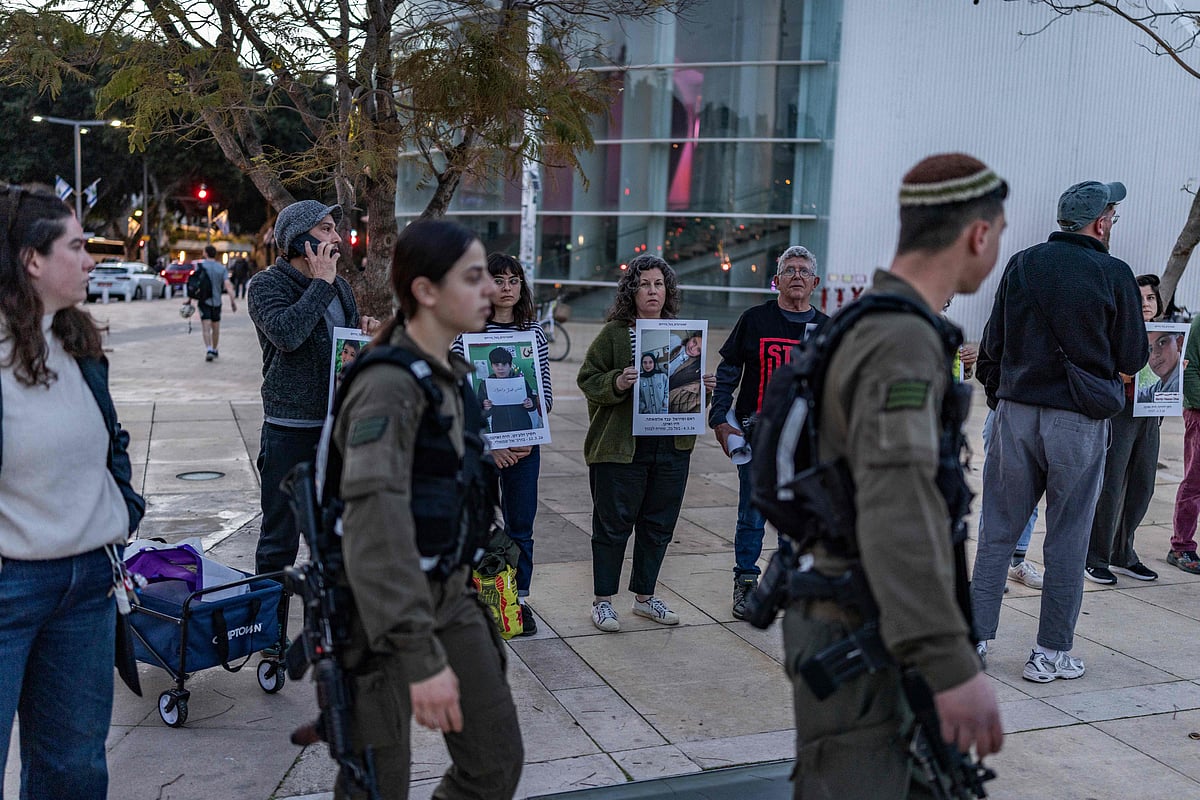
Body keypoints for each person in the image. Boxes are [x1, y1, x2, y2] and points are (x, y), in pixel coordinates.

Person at [778, 154, 1006, 797]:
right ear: (978, 235)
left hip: (868, 615)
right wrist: (951, 664)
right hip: (862, 627)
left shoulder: (875, 321)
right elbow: (898, 504)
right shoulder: (901, 340)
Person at [332, 218, 522, 799]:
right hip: (382, 609)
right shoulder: (388, 386)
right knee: (376, 786)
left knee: (493, 761)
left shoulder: (451, 376)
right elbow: (374, 528)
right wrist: (418, 654)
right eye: (472, 277)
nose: (490, 289)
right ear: (425, 291)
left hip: (448, 592)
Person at [0, 184, 145, 799]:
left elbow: (109, 443)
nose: (92, 260)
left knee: (74, 771)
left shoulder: (77, 341)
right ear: (32, 259)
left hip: (88, 587)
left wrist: (122, 508)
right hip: (10, 588)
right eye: (78, 246)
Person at [972, 180, 1147, 683]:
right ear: (1099, 223)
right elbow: (1133, 357)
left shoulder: (1024, 263)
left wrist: (1002, 396)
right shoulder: (1114, 273)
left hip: (1017, 411)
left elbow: (993, 343)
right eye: (1112, 215)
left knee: (998, 531)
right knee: (1068, 537)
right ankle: (1049, 653)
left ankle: (977, 639)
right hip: (1078, 419)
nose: (1113, 223)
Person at [577, 255, 715, 632]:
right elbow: (588, 379)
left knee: (658, 525)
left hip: (671, 447)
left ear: (667, 290)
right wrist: (618, 383)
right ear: (631, 291)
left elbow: (684, 383)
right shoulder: (616, 334)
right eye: (644, 284)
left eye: (658, 284)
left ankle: (644, 597)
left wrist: (702, 387)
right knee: (611, 526)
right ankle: (603, 601)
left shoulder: (684, 334)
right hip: (622, 448)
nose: (652, 290)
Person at [247, 199, 380, 576]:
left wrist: (362, 333)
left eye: (334, 228)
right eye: (325, 229)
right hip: (289, 431)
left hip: (336, 430)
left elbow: (345, 351)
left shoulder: (342, 288)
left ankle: (329, 628)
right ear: (300, 240)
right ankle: (268, 632)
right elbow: (288, 335)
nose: (337, 236)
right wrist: (320, 283)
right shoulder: (266, 285)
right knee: (279, 541)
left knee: (337, 535)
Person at [709, 244, 829, 619]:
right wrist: (719, 419)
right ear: (776, 280)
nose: (796, 276)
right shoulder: (755, 320)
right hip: (755, 434)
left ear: (815, 282)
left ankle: (793, 584)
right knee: (752, 514)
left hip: (804, 442)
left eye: (803, 271)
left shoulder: (827, 329)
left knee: (800, 515)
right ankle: (746, 583)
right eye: (789, 270)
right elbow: (728, 372)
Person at [452, 253, 553, 635]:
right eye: (499, 280)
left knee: (521, 525)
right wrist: (490, 445)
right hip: (481, 450)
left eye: (514, 280)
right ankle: (473, 599)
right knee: (475, 523)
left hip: (527, 448)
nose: (507, 287)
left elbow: (544, 391)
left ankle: (517, 600)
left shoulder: (535, 334)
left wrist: (531, 431)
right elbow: (460, 400)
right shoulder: (467, 334)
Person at [1084, 275, 1165, 585]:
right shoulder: (1117, 329)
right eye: (1140, 297)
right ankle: (1096, 557)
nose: (1146, 304)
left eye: (1151, 298)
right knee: (1111, 485)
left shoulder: (1167, 335)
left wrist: (1176, 376)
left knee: (1143, 486)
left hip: (1151, 417)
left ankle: (1123, 553)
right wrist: (1120, 377)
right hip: (1121, 414)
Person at [1171, 309, 1200, 574]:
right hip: (1199, 412)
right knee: (1195, 482)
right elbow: (1189, 370)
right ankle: (1181, 546)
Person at [186, 244, 237, 362]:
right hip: (217, 302)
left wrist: (189, 300)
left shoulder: (200, 266)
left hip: (204, 301)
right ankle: (214, 349)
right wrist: (232, 301)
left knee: (206, 327)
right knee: (216, 327)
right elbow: (228, 285)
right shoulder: (221, 268)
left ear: (206, 253)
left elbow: (194, 285)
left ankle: (208, 349)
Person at [479, 346, 537, 433]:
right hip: (500, 429)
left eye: (504, 364)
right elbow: (479, 410)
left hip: (523, 427)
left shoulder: (521, 382)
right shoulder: (485, 385)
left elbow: (533, 402)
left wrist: (531, 404)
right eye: (496, 365)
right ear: (492, 366)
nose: (500, 368)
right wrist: (485, 407)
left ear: (510, 366)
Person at [1136, 330, 1184, 402]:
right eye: (1150, 349)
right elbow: (1145, 395)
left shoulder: (1180, 384)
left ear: (1179, 343)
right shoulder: (1162, 384)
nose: (1155, 355)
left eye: (1162, 343)